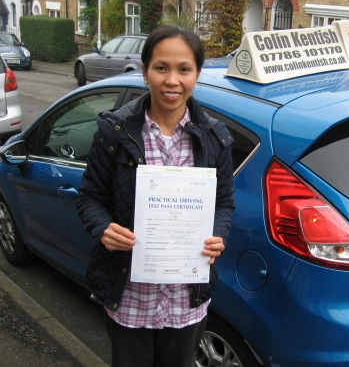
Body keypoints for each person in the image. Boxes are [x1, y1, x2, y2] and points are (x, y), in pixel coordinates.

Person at [75, 25, 235, 367]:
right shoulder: (114, 132)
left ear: (197, 74)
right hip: (130, 296)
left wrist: (218, 235)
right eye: (161, 68)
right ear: (145, 70)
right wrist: (103, 229)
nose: (172, 80)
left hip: (185, 300)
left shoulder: (216, 137)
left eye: (184, 69)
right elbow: (89, 198)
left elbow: (223, 202)